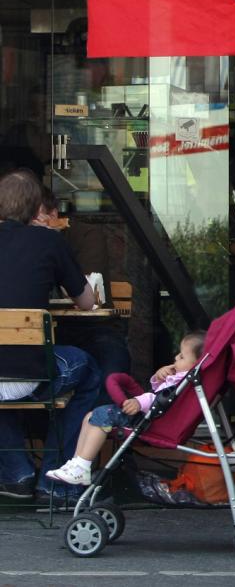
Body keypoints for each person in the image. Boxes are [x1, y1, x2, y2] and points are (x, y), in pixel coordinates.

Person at [0, 169, 101, 501]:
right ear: (35, 208)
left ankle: (17, 473)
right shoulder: (49, 240)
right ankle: (53, 479)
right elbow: (86, 303)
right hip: (31, 374)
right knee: (89, 369)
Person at [45, 331, 206, 487]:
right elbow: (159, 391)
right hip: (151, 414)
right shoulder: (181, 378)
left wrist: (137, 402)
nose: (176, 357)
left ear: (196, 364)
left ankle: (82, 465)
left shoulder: (186, 382)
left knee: (102, 414)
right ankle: (77, 464)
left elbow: (161, 398)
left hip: (150, 421)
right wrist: (158, 377)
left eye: (182, 356)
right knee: (90, 416)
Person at [34, 185, 131, 400]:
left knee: (111, 366)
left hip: (91, 327)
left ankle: (102, 428)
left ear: (53, 215)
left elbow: (86, 295)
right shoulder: (17, 243)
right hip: (39, 333)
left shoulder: (86, 235)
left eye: (35, 219)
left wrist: (51, 245)